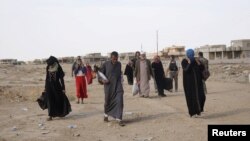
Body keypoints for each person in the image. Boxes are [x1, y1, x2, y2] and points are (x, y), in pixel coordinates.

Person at [99, 51, 125, 126]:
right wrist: (102, 80)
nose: (115, 60)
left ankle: (119, 119)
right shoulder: (105, 64)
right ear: (111, 58)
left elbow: (119, 73)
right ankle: (106, 115)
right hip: (108, 87)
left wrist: (121, 78)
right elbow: (100, 74)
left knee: (120, 101)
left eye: (116, 59)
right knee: (107, 102)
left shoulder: (119, 64)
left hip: (118, 86)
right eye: (114, 59)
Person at [44, 56, 71, 121]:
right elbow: (47, 77)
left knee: (58, 99)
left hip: (57, 86)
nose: (49, 64)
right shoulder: (48, 67)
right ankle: (50, 116)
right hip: (49, 86)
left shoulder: (58, 67)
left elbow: (61, 79)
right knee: (50, 100)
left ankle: (60, 113)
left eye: (50, 63)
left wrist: (63, 88)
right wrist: (45, 87)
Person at [181, 49, 206, 117]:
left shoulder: (196, 60)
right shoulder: (184, 61)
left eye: (192, 54)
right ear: (187, 54)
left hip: (198, 83)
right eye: (190, 54)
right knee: (191, 98)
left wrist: (199, 63)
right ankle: (193, 113)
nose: (191, 55)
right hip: (189, 84)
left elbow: (202, 68)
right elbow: (186, 70)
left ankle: (200, 110)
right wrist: (189, 63)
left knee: (202, 97)